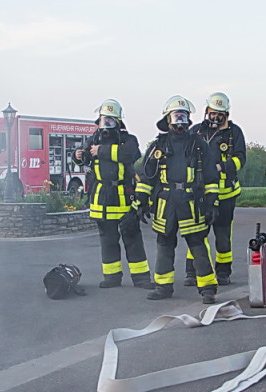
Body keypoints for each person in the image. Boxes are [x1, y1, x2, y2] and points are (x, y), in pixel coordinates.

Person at [135, 96, 220, 304]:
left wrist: (212, 203)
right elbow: (147, 176)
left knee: (197, 243)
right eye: (176, 116)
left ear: (189, 120)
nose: (180, 121)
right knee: (164, 243)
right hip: (166, 202)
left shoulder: (199, 145)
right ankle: (163, 286)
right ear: (168, 119)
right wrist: (141, 201)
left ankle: (208, 289)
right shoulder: (158, 145)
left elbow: (211, 176)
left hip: (191, 201)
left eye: (183, 116)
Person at [72, 100, 155, 290]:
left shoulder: (128, 139)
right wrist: (77, 156)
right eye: (104, 120)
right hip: (101, 197)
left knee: (132, 238)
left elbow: (130, 154)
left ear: (118, 122)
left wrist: (102, 151)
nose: (107, 125)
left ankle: (141, 279)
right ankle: (111, 277)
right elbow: (84, 157)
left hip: (123, 195)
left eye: (111, 121)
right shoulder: (93, 139)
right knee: (107, 240)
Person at [184, 92, 246, 286]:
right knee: (196, 233)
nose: (216, 117)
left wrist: (221, 167)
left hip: (226, 194)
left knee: (223, 236)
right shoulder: (196, 131)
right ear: (206, 111)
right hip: (200, 193)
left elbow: (240, 159)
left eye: (220, 114)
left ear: (226, 114)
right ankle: (193, 271)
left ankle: (223, 272)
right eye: (213, 113)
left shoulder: (234, 133)